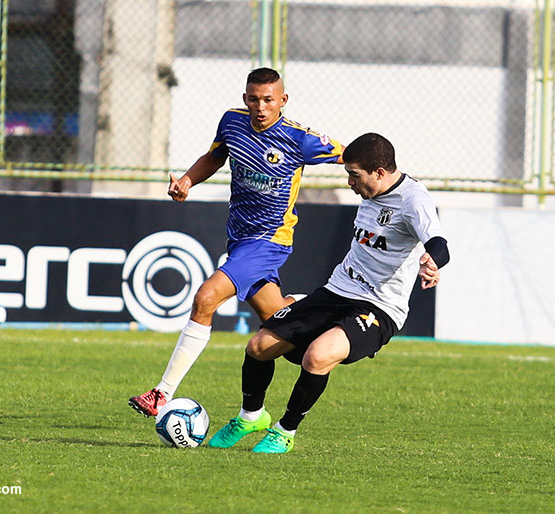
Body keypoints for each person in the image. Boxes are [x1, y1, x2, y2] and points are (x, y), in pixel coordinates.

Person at [207, 132, 450, 453]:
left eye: (354, 175)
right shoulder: (370, 194)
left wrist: (432, 262)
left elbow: (439, 244)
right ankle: (251, 416)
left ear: (379, 172)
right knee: (259, 346)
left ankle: (285, 431)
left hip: (379, 307)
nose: (349, 182)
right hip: (337, 291)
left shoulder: (413, 200)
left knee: (318, 355)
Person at [129, 67, 344, 416]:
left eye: (269, 100)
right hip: (240, 239)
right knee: (279, 328)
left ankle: (161, 394)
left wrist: (383, 186)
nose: (261, 107)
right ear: (245, 98)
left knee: (205, 298)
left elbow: (353, 156)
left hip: (270, 240)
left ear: (283, 101)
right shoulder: (232, 122)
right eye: (254, 99)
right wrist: (186, 180)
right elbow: (215, 157)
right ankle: (320, 319)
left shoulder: (300, 138)